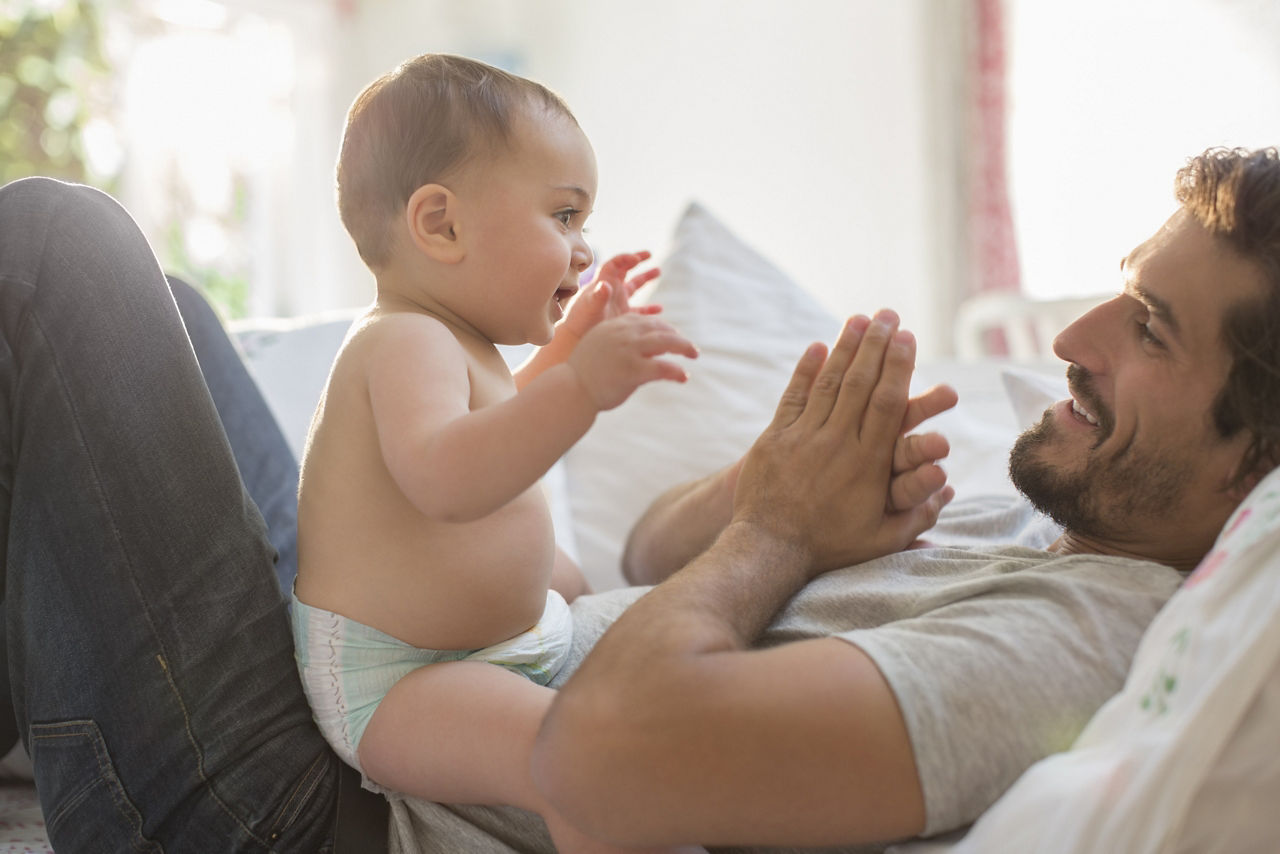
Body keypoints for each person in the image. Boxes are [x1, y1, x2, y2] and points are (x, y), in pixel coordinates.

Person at [1, 137, 1276, 851]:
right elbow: (648, 551)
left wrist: (779, 531)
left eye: (1150, 330)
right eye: (1118, 286)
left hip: (330, 814)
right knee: (154, 315)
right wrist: (775, 490)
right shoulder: (1029, 514)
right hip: (380, 666)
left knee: (57, 257)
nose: (1073, 336)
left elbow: (598, 768)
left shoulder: (1072, 649)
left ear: (1248, 463)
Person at [290, 53, 706, 853]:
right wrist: (580, 385)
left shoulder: (460, 340)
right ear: (441, 225)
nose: (582, 249)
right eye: (562, 217)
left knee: (579, 588)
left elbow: (506, 409)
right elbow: (450, 477)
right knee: (577, 760)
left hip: (490, 647)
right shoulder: (400, 343)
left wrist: (574, 340)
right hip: (405, 682)